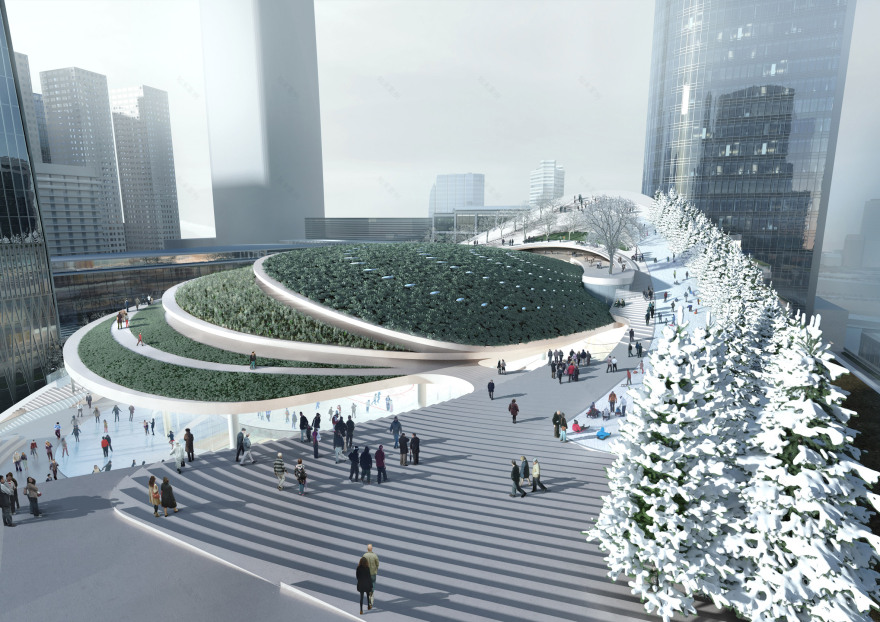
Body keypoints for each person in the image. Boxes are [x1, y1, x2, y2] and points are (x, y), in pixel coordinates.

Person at [363, 544, 380, 610]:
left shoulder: (364, 555)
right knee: (372, 586)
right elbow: (377, 564)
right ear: (371, 548)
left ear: (367, 549)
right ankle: (371, 602)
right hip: (373, 573)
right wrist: (376, 569)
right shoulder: (374, 555)